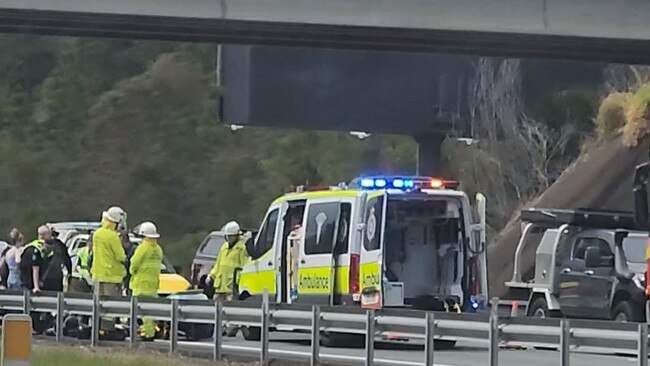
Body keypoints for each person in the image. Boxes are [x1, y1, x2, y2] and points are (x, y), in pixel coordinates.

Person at [91, 206, 127, 338]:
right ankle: (107, 330)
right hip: (112, 276)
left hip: (98, 274)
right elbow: (120, 256)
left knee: (99, 305)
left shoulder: (97, 233)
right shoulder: (112, 236)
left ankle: (97, 328)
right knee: (110, 308)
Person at [130, 222, 163, 341]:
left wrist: (132, 272)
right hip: (153, 284)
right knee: (149, 310)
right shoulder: (158, 249)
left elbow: (134, 264)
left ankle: (148, 333)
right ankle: (150, 331)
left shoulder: (143, 248)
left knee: (143, 311)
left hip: (141, 284)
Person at [41, 225, 73, 292]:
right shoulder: (60, 245)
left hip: (49, 277)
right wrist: (69, 272)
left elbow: (67, 260)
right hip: (52, 277)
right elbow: (67, 260)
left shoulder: (59, 245)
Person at [122, 231, 137, 296]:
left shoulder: (134, 249)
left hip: (133, 279)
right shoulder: (123, 249)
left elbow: (129, 263)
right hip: (126, 280)